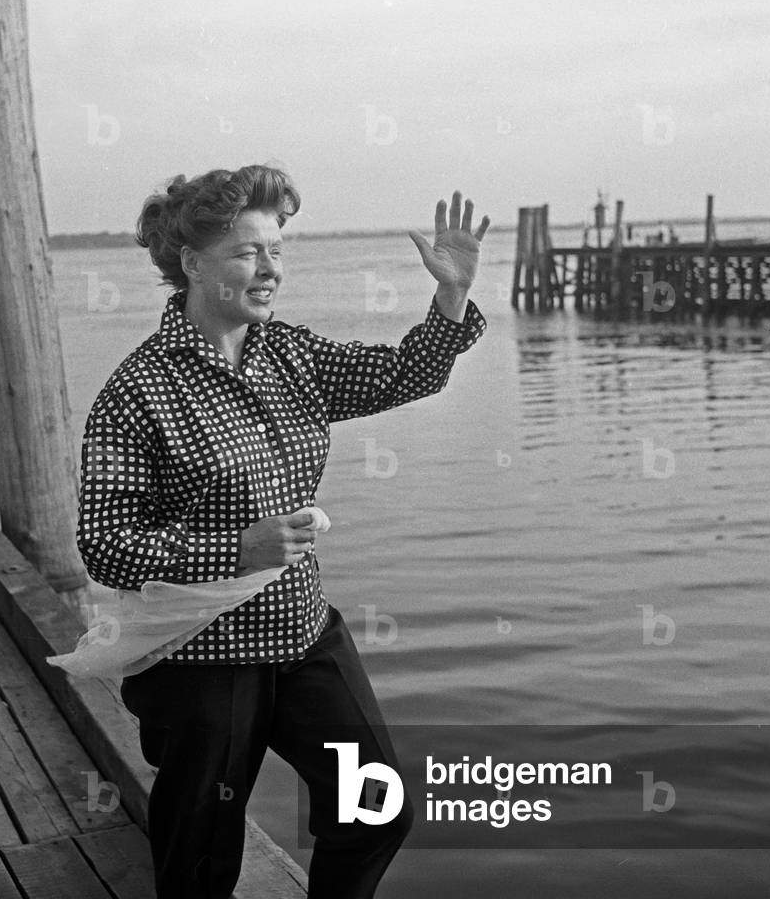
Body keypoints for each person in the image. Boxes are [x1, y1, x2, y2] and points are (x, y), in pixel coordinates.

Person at [76, 164, 489, 899]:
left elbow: (404, 376)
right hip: (202, 659)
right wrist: (235, 549)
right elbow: (106, 544)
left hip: (303, 634)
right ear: (192, 264)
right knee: (201, 864)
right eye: (247, 252)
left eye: (277, 250)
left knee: (374, 811)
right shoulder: (137, 391)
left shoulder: (290, 354)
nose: (270, 270)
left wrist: (450, 295)